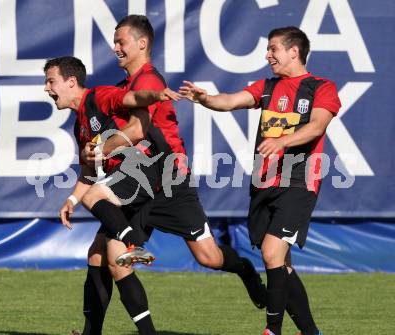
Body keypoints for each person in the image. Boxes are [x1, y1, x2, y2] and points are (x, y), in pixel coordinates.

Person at [80, 13, 267, 330]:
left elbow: (138, 130)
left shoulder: (149, 80)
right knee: (108, 256)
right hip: (140, 182)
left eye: (120, 41)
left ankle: (246, 270)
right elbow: (124, 136)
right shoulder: (123, 87)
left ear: (142, 43)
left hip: (169, 180)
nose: (115, 48)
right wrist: (97, 149)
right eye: (114, 42)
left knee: (208, 258)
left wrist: (102, 149)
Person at [179, 26, 341, 335]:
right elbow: (229, 101)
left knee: (270, 253)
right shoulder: (267, 86)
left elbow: (317, 126)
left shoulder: (321, 87)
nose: (268, 54)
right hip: (264, 183)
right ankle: (311, 332)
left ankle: (272, 330)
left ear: (294, 51)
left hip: (298, 181)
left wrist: (282, 141)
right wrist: (205, 98)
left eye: (273, 49)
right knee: (282, 264)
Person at [44, 56, 178, 335]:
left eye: (51, 81)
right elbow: (89, 171)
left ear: (71, 82)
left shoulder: (99, 96)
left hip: (145, 172)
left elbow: (132, 98)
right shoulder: (80, 123)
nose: (46, 88)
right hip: (121, 185)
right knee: (99, 256)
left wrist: (155, 94)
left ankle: (133, 243)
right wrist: (71, 201)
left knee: (99, 206)